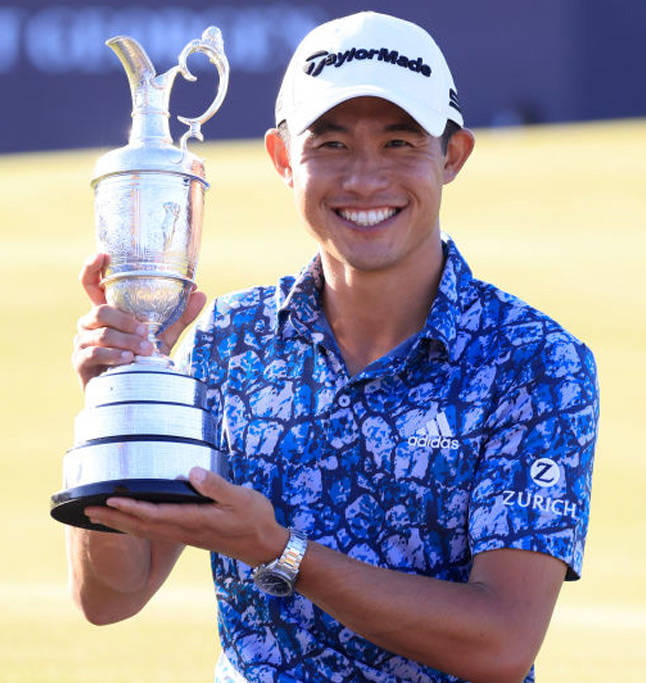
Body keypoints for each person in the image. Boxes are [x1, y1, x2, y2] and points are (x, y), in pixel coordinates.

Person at [69, 11, 598, 683]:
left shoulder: (535, 361)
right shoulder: (229, 340)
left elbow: (501, 643)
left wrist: (281, 551)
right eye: (332, 144)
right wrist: (116, 403)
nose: (365, 179)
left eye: (400, 142)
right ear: (282, 159)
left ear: (453, 156)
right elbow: (110, 596)